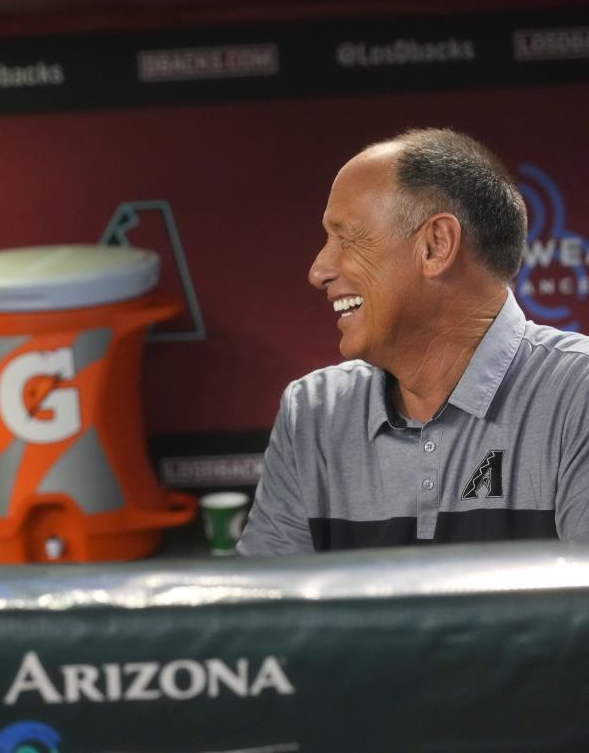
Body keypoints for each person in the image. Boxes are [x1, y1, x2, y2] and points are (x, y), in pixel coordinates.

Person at [238, 128, 589, 556]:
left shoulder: (577, 395)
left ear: (435, 246)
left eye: (346, 238)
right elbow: (271, 616)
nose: (319, 270)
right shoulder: (312, 413)